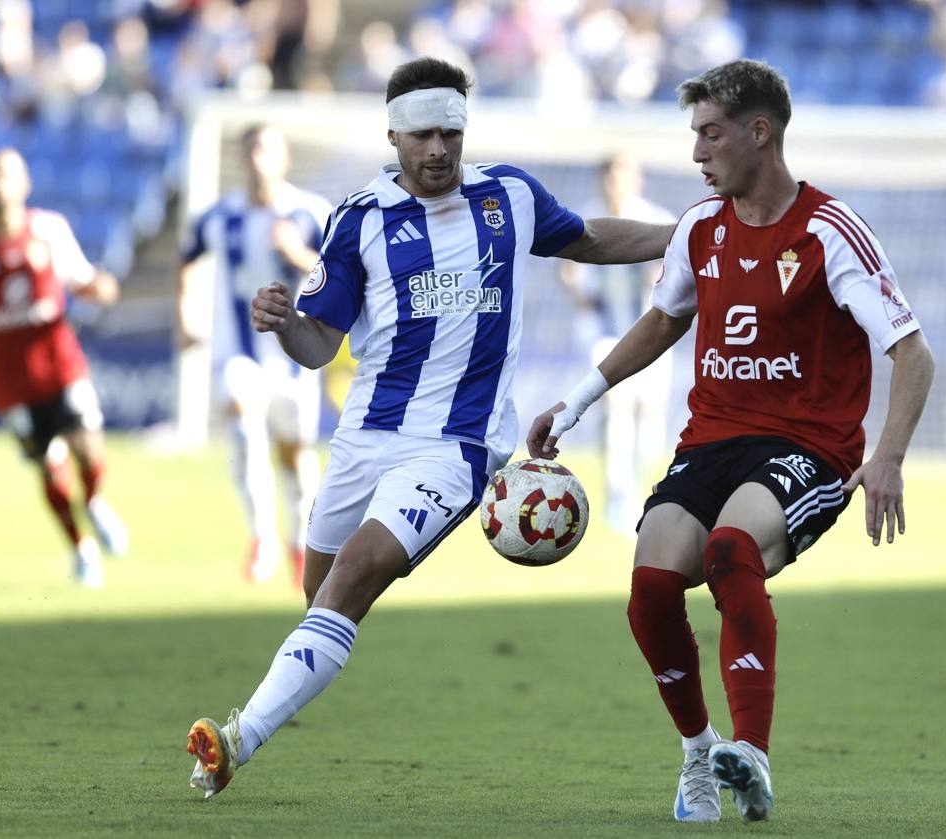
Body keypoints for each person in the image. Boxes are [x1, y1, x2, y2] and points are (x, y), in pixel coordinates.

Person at [183, 56, 675, 799]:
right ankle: (282, 693)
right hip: (363, 436)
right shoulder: (358, 218)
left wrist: (690, 231)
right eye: (421, 135)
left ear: (464, 130)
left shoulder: (509, 196)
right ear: (393, 135)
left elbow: (591, 238)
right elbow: (321, 345)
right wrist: (286, 326)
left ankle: (235, 738)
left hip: (457, 446)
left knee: (351, 575)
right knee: (321, 592)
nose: (437, 149)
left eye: (449, 132)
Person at [527, 59, 936, 823]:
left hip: (807, 446)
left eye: (709, 134)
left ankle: (750, 752)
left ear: (760, 132)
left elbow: (911, 351)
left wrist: (887, 455)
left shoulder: (827, 231)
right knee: (649, 588)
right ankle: (697, 755)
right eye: (693, 135)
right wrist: (577, 401)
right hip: (708, 441)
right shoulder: (699, 229)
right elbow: (662, 320)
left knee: (727, 552)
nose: (696, 153)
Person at [0, 148, 130, 588]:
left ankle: (94, 502)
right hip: (10, 379)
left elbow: (85, 281)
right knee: (50, 465)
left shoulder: (49, 230)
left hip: (60, 363)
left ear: (25, 184)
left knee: (88, 450)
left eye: (8, 175)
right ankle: (80, 547)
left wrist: (101, 287)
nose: (0, 184)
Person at [177, 124, 333, 584]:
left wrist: (295, 252)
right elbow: (187, 260)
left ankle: (297, 543)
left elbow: (339, 273)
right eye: (251, 151)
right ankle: (261, 537)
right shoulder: (219, 216)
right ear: (242, 159)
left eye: (267, 150)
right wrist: (186, 316)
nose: (258, 159)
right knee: (243, 426)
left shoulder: (311, 213)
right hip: (237, 352)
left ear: (284, 159)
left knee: (294, 455)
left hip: (294, 355)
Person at [556, 152, 675, 530]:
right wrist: (575, 289)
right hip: (603, 331)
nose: (617, 185)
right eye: (611, 178)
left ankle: (640, 492)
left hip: (650, 331)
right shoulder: (587, 220)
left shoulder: (657, 221)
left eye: (624, 177)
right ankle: (618, 496)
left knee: (649, 413)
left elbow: (678, 276)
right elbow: (567, 267)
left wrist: (658, 278)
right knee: (616, 405)